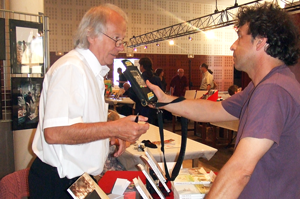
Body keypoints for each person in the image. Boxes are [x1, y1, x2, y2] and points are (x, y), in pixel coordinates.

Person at [147, 3, 300, 198]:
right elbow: (212, 110)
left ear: (260, 42)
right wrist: (165, 100)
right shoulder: (264, 85)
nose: (232, 46)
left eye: (239, 37)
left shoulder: (272, 90)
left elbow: (240, 170)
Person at [28, 4, 149, 199]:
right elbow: (54, 133)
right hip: (58, 182)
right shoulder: (72, 68)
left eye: (122, 40)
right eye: (116, 39)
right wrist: (114, 128)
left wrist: (109, 139)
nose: (121, 47)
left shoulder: (92, 72)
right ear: (91, 35)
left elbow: (79, 129)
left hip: (77, 180)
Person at [139, 57, 162, 125]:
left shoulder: (141, 78)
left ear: (142, 66)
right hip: (155, 106)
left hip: (144, 107)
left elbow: (137, 93)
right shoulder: (156, 78)